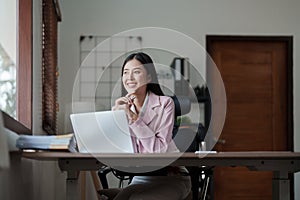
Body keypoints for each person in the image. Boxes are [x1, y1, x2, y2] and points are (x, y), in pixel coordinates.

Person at [111, 52, 191, 200]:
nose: (129, 77)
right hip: (140, 177)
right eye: (125, 72)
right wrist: (113, 119)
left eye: (136, 72)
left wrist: (134, 118)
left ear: (149, 77)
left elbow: (158, 150)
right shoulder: (121, 108)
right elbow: (119, 150)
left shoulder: (165, 104)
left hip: (171, 177)